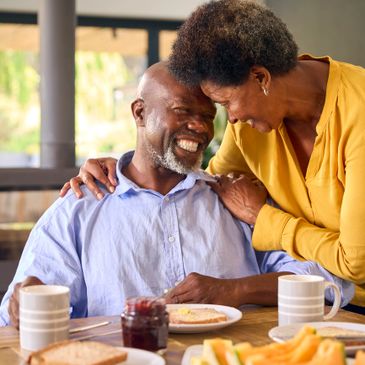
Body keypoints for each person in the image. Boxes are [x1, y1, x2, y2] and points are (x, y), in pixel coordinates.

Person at [0, 62, 353, 327]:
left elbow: (320, 282)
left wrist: (234, 291)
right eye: (183, 111)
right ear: (140, 112)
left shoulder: (234, 199)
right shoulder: (79, 209)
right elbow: (17, 312)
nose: (200, 127)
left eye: (208, 116)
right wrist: (23, 299)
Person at [70, 0, 365, 312]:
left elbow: (355, 262)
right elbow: (200, 184)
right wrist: (117, 170)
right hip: (329, 305)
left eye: (226, 103)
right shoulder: (251, 128)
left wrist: (262, 218)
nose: (232, 120)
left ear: (261, 78)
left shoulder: (357, 113)